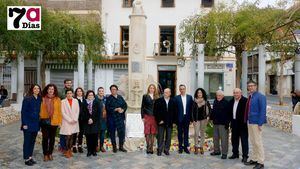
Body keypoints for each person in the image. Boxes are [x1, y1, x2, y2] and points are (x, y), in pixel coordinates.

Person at [244, 81, 267, 169]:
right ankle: (254, 158)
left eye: (252, 86)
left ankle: (261, 162)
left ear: (256, 86)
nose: (250, 87)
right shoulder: (250, 97)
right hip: (250, 122)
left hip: (257, 123)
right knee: (253, 142)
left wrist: (260, 123)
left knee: (258, 142)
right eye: (249, 86)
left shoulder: (261, 97)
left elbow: (262, 111)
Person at [40, 84, 62, 162]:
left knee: (52, 139)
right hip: (44, 121)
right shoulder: (42, 98)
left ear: (54, 90)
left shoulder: (57, 99)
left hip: (54, 122)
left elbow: (59, 112)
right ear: (47, 90)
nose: (51, 90)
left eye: (52, 89)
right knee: (45, 138)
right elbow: (40, 110)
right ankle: (45, 154)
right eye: (49, 89)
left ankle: (50, 153)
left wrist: (60, 122)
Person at [21, 84, 42, 166]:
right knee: (27, 141)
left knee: (32, 141)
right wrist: (24, 123)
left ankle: (30, 157)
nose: (36, 90)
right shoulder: (27, 99)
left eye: (38, 88)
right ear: (32, 90)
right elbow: (23, 112)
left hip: (36, 124)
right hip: (28, 124)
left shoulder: (40, 99)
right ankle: (26, 159)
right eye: (35, 88)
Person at [154, 88, 177, 156]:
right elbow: (155, 112)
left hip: (169, 122)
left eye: (167, 92)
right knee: (160, 137)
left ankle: (166, 150)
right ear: (163, 93)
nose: (166, 94)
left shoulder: (173, 101)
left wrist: (174, 122)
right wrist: (159, 120)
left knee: (168, 137)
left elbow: (175, 112)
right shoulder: (158, 101)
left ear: (170, 93)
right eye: (165, 92)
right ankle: (159, 150)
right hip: (161, 122)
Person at [228, 88, 249, 163]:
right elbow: (229, 113)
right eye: (234, 93)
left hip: (243, 124)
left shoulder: (245, 101)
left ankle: (245, 156)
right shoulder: (231, 101)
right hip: (234, 123)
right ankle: (235, 153)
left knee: (244, 141)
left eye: (237, 93)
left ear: (241, 93)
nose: (235, 94)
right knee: (234, 140)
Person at [106, 85, 128, 153]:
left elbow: (125, 105)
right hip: (112, 118)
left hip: (120, 117)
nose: (113, 90)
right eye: (112, 89)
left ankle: (121, 146)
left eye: (115, 89)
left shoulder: (120, 97)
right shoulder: (109, 98)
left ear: (117, 90)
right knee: (112, 132)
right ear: (110, 90)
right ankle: (114, 147)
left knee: (121, 132)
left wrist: (123, 110)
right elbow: (107, 108)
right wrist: (115, 109)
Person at [210, 90, 230, 159]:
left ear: (223, 96)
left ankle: (224, 153)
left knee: (224, 139)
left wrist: (227, 123)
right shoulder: (215, 101)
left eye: (219, 95)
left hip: (223, 124)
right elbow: (213, 111)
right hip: (215, 123)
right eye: (217, 95)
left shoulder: (226, 103)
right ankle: (216, 151)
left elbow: (229, 114)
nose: (218, 96)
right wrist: (211, 118)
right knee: (215, 138)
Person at [60, 89, 80, 158]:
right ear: (66, 94)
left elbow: (77, 111)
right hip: (67, 121)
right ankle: (66, 150)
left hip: (74, 121)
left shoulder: (76, 101)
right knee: (67, 137)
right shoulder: (63, 101)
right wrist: (69, 120)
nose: (69, 94)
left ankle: (70, 150)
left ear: (73, 94)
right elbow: (62, 112)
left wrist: (75, 119)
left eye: (70, 93)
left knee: (72, 137)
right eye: (68, 93)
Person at [191, 88, 211, 155]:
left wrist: (208, 116)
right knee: (196, 133)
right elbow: (192, 111)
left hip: (204, 119)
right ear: (197, 94)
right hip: (196, 120)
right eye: (198, 93)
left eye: (201, 93)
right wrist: (193, 120)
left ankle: (201, 147)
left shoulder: (206, 101)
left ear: (203, 94)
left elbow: (209, 110)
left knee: (202, 133)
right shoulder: (194, 102)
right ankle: (196, 147)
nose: (199, 94)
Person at [82, 90, 102, 157]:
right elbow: (83, 113)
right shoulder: (84, 103)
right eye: (89, 95)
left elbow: (99, 113)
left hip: (95, 122)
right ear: (87, 96)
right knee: (88, 137)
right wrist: (88, 119)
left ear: (94, 96)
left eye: (92, 95)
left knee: (94, 137)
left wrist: (93, 119)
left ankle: (94, 151)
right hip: (87, 122)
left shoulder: (97, 102)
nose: (90, 96)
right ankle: (89, 151)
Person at [175, 84, 193, 154]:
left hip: (187, 118)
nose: (182, 90)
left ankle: (186, 147)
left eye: (183, 89)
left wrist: (191, 119)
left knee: (186, 133)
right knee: (179, 133)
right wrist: (175, 120)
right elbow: (175, 110)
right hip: (179, 118)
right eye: (181, 89)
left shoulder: (189, 97)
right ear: (179, 90)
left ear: (185, 89)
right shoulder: (176, 98)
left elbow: (191, 109)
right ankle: (180, 147)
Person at [141, 84, 159, 154]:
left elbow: (158, 108)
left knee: (153, 133)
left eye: (153, 88)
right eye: (150, 88)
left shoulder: (157, 97)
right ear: (148, 89)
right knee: (147, 132)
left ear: (155, 89)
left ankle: (151, 148)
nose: (152, 89)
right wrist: (142, 117)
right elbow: (142, 107)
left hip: (154, 116)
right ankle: (148, 147)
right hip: (147, 116)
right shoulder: (145, 96)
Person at [59, 79, 73, 153]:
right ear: (64, 84)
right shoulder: (61, 92)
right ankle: (62, 146)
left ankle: (69, 147)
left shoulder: (73, 91)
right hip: (63, 114)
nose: (69, 84)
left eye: (70, 83)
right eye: (67, 83)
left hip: (71, 114)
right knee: (63, 131)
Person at [72, 87, 86, 153]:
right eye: (78, 91)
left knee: (81, 133)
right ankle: (74, 146)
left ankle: (80, 145)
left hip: (83, 119)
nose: (79, 92)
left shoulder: (85, 100)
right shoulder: (74, 100)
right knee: (74, 132)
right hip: (76, 118)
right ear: (76, 93)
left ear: (82, 92)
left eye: (80, 91)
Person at [96, 87, 107, 153]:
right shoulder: (95, 99)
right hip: (97, 119)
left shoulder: (106, 99)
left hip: (103, 119)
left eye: (102, 91)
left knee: (102, 133)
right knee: (97, 133)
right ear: (98, 92)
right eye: (100, 91)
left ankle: (101, 146)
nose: (101, 92)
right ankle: (96, 146)